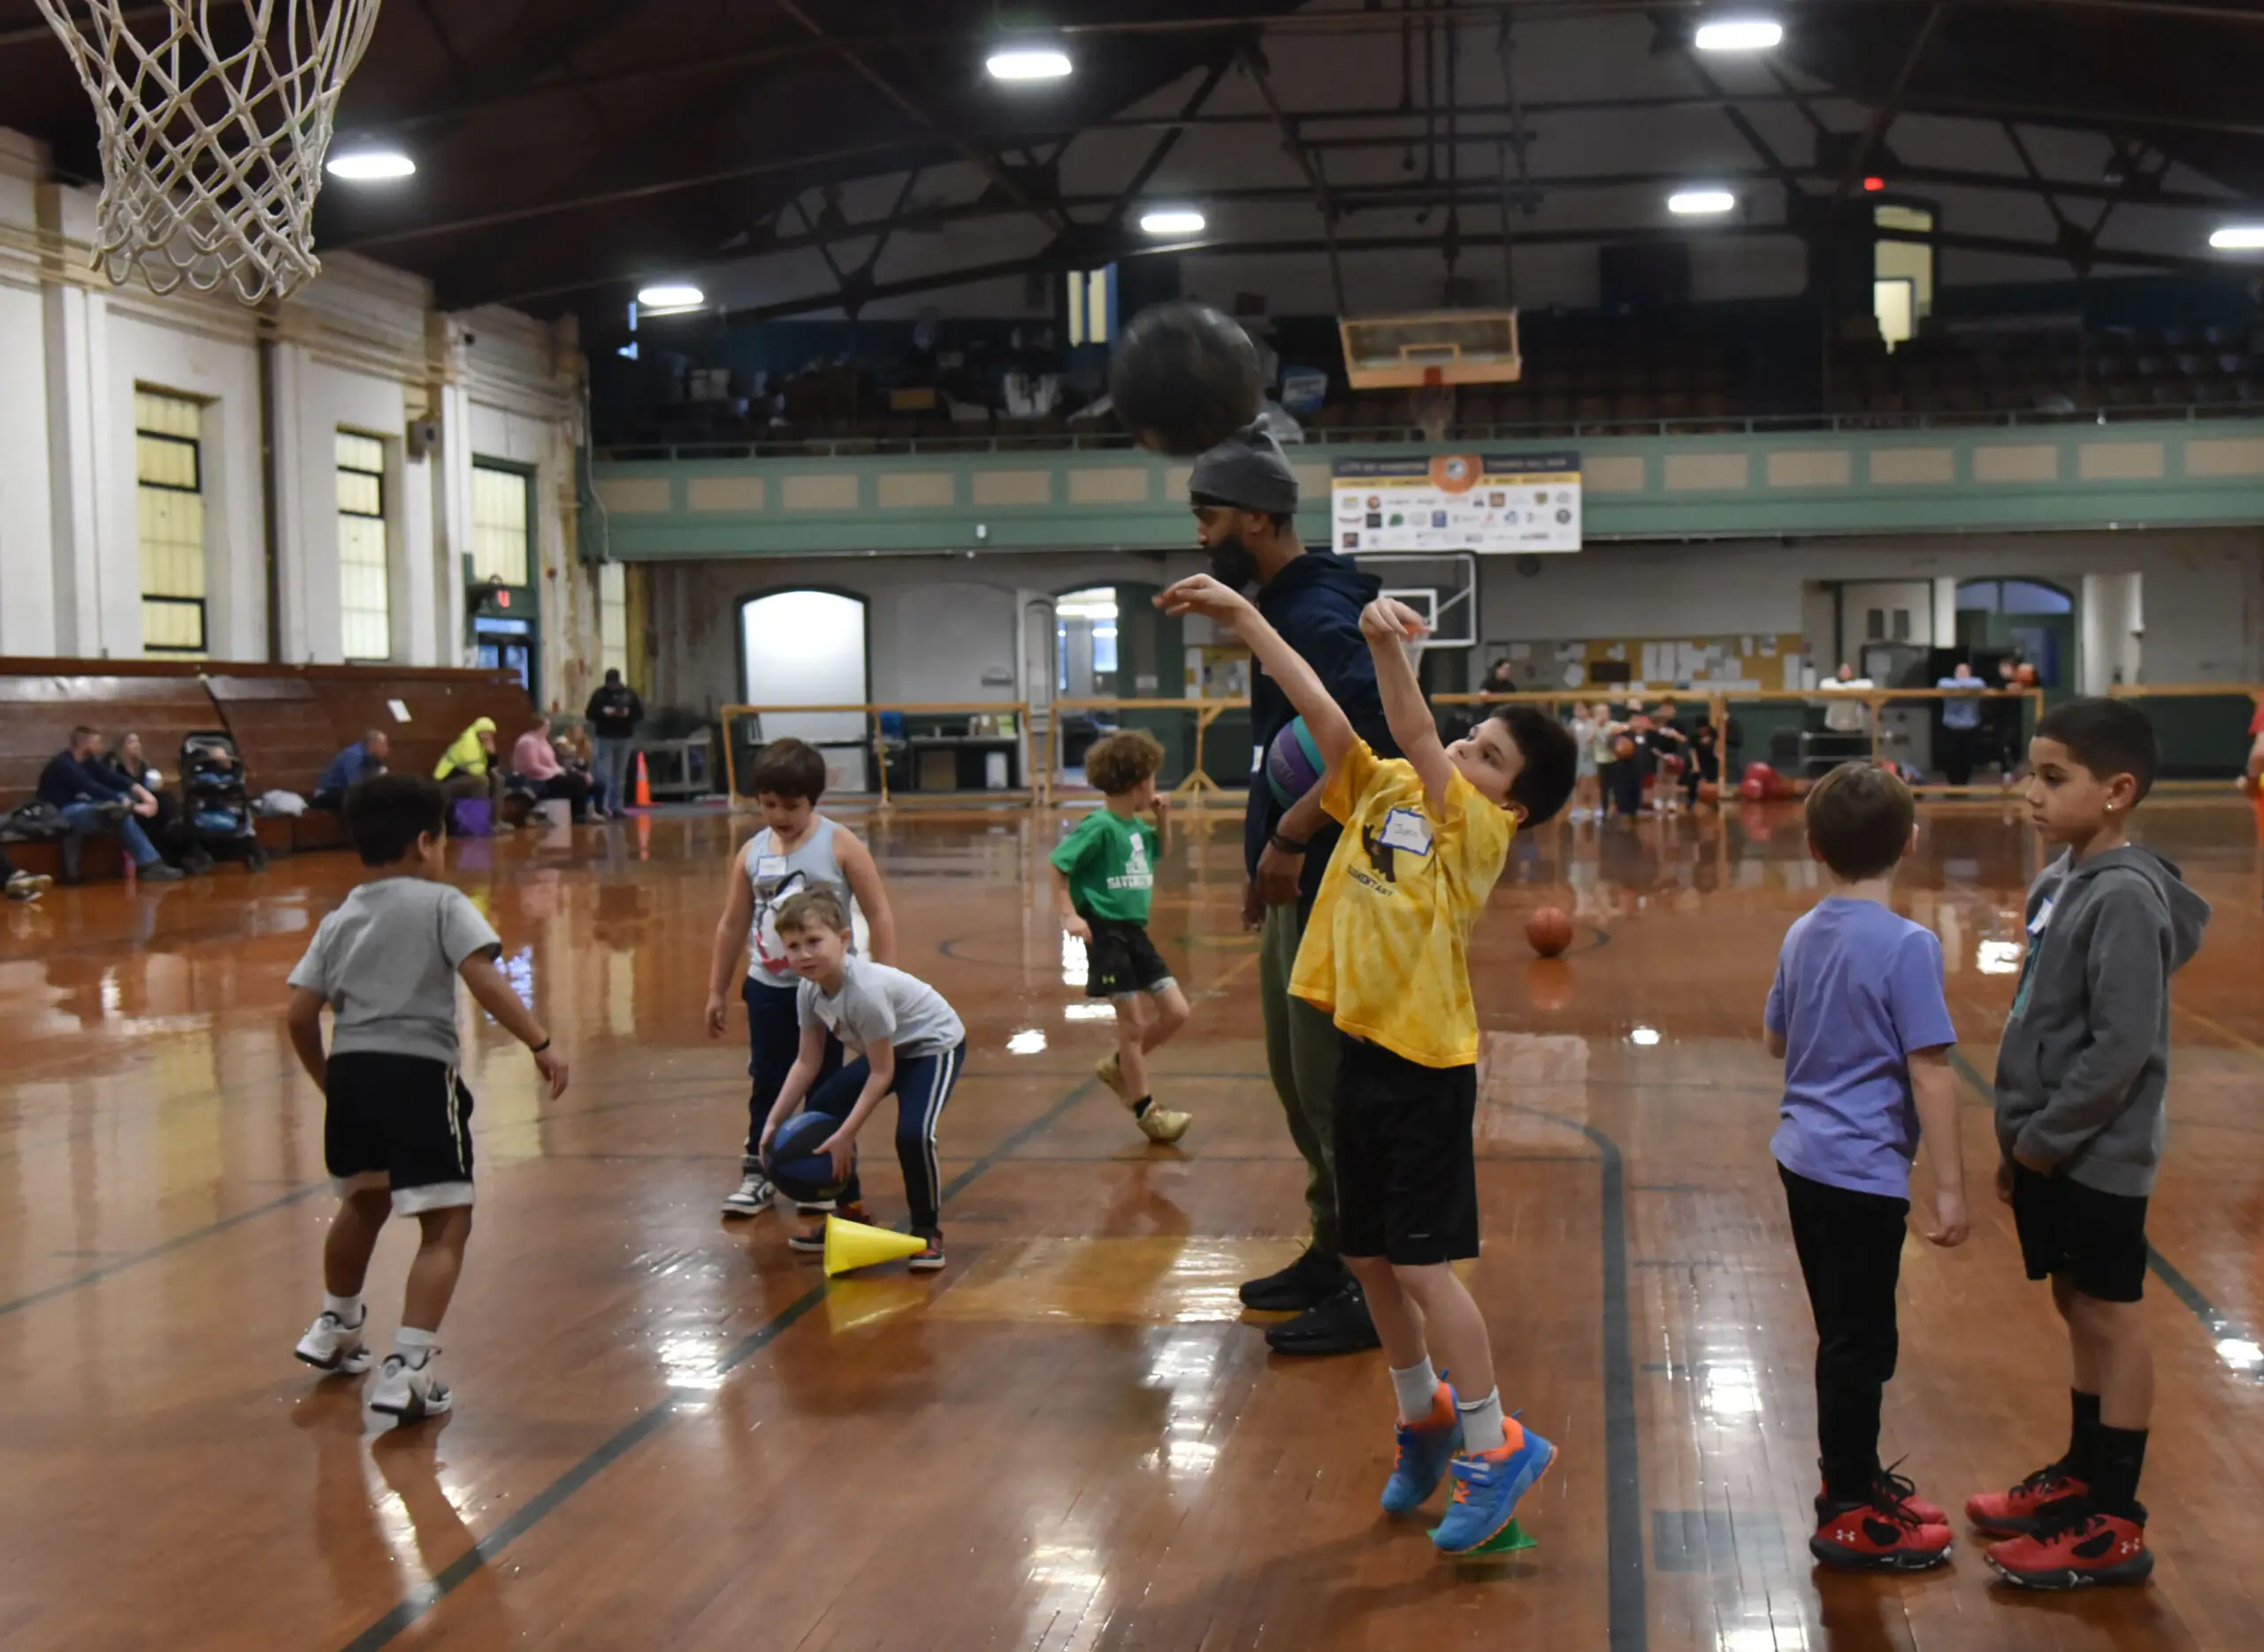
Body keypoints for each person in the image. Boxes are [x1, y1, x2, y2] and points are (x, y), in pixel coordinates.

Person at [1159, 570, 1577, 1556]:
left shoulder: (1472, 834)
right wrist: (1248, 618)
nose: (1465, 751)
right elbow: (1320, 706)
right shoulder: (1383, 785)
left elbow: (1419, 735)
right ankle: (1422, 1416)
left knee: (1424, 1265)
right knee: (1365, 1254)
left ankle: (1493, 1440)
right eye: (1472, 736)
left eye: (1490, 756)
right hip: (1361, 1056)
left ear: (1511, 807)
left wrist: (1387, 645)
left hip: (1426, 1068)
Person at [1967, 700, 2208, 1588]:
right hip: (2046, 1144)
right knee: (2075, 1303)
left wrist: (2046, 1138)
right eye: (2029, 772)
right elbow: (2038, 1018)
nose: (2030, 792)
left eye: (2052, 776)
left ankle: (2113, 1514)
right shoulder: (2056, 881)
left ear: (2116, 792)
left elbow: (2121, 1046)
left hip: (2094, 1154)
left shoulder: (2123, 896)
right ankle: (2078, 1471)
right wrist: (2016, 1137)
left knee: (2112, 1313)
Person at [1192, 421, 1397, 1356]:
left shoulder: (1314, 614)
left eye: (1212, 515)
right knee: (1293, 1081)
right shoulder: (1282, 602)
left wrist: (1290, 833)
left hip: (1339, 893)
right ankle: (1333, 1248)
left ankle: (1374, 1286)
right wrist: (1262, 861)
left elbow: (1375, 746)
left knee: (1330, 1091)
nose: (1200, 534)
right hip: (1296, 885)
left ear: (1262, 518)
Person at [285, 775, 570, 1421]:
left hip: (353, 1076)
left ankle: (336, 1324)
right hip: (417, 1076)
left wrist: (329, 1081)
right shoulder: (443, 905)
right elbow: (484, 980)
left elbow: (299, 1015)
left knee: (363, 1201)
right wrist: (541, 1043)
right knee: (446, 1220)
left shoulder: (341, 918)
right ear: (425, 842)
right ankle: (410, 1366)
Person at [1763, 762, 1969, 1571]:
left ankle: (1852, 1476)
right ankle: (1845, 1502)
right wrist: (1949, 1187)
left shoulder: (1801, 931)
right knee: (1859, 1343)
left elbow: (1776, 1040)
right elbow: (1931, 1070)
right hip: (1863, 1173)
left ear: (1813, 847)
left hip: (1802, 1160)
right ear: (1910, 843)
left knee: (1843, 1330)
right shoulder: (1909, 946)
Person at [704, 737, 897, 1218]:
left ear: (814, 801)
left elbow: (879, 912)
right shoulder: (751, 852)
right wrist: (717, 989)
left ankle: (822, 1175)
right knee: (767, 1078)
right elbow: (732, 923)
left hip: (829, 992)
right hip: (769, 989)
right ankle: (758, 1170)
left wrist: (885, 980)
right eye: (769, 804)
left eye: (791, 806)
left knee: (826, 1084)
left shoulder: (839, 844)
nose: (779, 815)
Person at [758, 887, 964, 1272]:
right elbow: (807, 1061)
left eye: (814, 941)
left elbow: (883, 1073)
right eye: (794, 945)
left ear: (844, 940)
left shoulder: (865, 992)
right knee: (820, 1112)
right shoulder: (808, 990)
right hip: (887, 1053)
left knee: (913, 1135)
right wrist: (773, 1122)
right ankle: (850, 1214)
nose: (804, 954)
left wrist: (848, 1133)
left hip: (931, 1047)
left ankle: (926, 1231)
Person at [1050, 729, 1192, 1146]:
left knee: (1177, 1011)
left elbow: (1162, 850)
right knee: (1133, 1025)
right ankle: (1148, 1110)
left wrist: (1163, 818)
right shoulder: (1100, 827)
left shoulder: (1133, 826)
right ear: (1138, 782)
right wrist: (1068, 915)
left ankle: (1118, 1067)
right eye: (1151, 776)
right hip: (1107, 934)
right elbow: (1058, 866)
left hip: (1135, 932)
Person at [37, 726, 181, 882]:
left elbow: (112, 778)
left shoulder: (89, 762)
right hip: (60, 813)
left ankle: (150, 864)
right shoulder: (63, 764)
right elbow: (90, 787)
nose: (102, 747)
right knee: (115, 809)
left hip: (85, 808)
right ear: (85, 745)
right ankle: (149, 864)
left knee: (118, 811)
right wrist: (132, 805)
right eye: (97, 742)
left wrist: (144, 793)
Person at [510, 715, 593, 822]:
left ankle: (580, 814)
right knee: (573, 782)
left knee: (578, 778)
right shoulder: (528, 741)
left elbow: (552, 763)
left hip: (549, 774)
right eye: (547, 726)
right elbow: (532, 766)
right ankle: (578, 815)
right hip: (535, 777)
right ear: (540, 727)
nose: (549, 729)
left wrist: (560, 770)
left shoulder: (543, 741)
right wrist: (553, 772)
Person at [585, 669, 644, 814]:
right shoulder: (599, 695)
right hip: (605, 736)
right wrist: (604, 713)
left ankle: (617, 806)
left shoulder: (629, 694)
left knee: (620, 773)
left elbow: (639, 714)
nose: (612, 686)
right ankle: (604, 807)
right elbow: (590, 713)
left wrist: (627, 714)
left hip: (624, 737)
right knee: (605, 773)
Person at [1935, 662, 1985, 787]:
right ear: (1955, 674)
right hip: (1951, 726)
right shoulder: (1946, 682)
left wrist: (1960, 686)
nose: (1962, 674)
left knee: (1967, 759)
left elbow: (1980, 684)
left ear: (1969, 674)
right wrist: (1963, 686)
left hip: (1970, 727)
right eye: (1959, 672)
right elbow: (1941, 684)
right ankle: (1953, 785)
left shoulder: (1976, 682)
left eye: (1964, 672)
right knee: (1951, 758)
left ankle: (1963, 785)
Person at [313, 730, 390, 812]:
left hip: (345, 793)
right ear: (372, 745)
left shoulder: (374, 759)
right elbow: (355, 786)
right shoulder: (354, 755)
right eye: (383, 746)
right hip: (327, 793)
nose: (387, 750)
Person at [1568, 702, 1603, 822]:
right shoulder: (1573, 723)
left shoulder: (1594, 723)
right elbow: (1571, 738)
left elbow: (1594, 740)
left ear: (1587, 710)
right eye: (1575, 708)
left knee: (1593, 783)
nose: (1577, 711)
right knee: (1578, 784)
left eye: (1580, 708)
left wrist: (1595, 726)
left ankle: (1597, 808)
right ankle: (1576, 808)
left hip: (1591, 757)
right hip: (1578, 757)